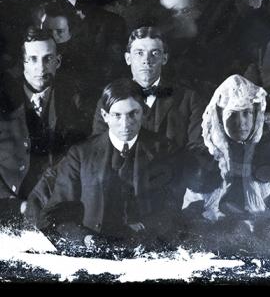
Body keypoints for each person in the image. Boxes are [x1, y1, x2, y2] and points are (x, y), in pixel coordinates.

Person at [26, 79, 183, 247]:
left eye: (133, 114)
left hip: (145, 247)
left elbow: (170, 210)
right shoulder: (80, 154)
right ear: (105, 116)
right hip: (93, 248)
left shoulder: (164, 150)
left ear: (143, 112)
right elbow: (57, 214)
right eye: (117, 115)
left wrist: (146, 231)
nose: (125, 124)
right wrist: (84, 239)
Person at [183, 75, 270, 252]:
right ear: (220, 118)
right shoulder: (206, 155)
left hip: (263, 231)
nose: (241, 123)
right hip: (217, 231)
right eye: (232, 115)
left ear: (256, 114)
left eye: (247, 113)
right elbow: (192, 208)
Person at [0, 27, 89, 223]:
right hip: (10, 209)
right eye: (33, 59)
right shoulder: (4, 100)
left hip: (59, 209)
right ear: (23, 63)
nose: (40, 68)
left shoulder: (75, 100)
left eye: (48, 59)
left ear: (57, 62)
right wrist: (16, 205)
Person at [89, 26, 202, 155]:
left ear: (164, 59)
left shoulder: (188, 99)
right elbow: (99, 149)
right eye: (139, 53)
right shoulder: (109, 100)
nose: (146, 61)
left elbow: (197, 151)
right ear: (128, 59)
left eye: (155, 53)